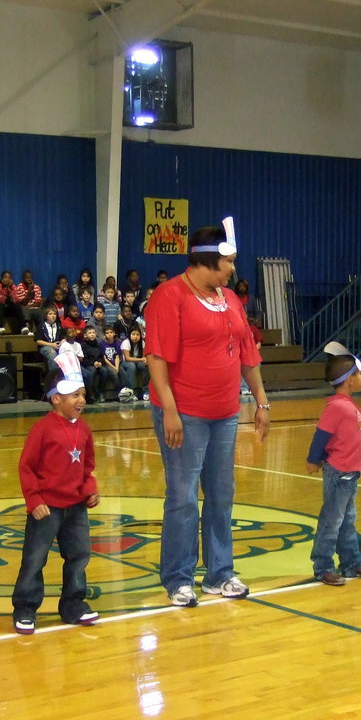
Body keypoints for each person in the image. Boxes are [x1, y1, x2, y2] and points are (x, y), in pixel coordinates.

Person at [145, 217, 269, 607]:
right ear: (207, 260)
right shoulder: (169, 296)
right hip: (186, 413)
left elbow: (248, 353)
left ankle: (220, 573)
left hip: (225, 412)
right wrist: (169, 409)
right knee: (182, 496)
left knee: (221, 493)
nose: (234, 269)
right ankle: (179, 578)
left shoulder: (229, 299)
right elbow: (157, 356)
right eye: (229, 262)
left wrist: (261, 401)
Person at [11, 351, 100, 635]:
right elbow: (26, 468)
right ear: (56, 398)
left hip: (76, 507)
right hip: (47, 507)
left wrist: (90, 490)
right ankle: (25, 607)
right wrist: (34, 500)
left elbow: (87, 467)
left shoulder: (84, 430)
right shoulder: (42, 430)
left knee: (79, 556)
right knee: (35, 558)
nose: (81, 401)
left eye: (83, 394)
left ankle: (73, 604)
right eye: (74, 395)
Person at [304, 344, 361, 585]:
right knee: (332, 520)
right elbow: (321, 435)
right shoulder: (336, 407)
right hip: (339, 474)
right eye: (359, 374)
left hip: (350, 473)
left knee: (347, 520)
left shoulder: (346, 405)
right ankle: (323, 566)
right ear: (349, 379)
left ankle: (351, 563)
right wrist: (313, 459)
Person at [120, 325, 149, 400]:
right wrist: (141, 359)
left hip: (138, 361)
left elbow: (143, 356)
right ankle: (131, 391)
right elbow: (127, 358)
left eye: (137, 335)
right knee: (131, 366)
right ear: (129, 335)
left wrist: (145, 360)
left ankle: (145, 391)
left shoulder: (142, 342)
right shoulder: (126, 342)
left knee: (145, 365)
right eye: (133, 334)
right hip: (125, 363)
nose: (135, 337)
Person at [0, 270, 21, 335]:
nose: (7, 279)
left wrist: (10, 288)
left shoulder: (13, 286)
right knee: (1, 304)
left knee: (17, 305)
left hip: (7, 309)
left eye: (9, 278)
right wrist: (6, 288)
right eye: (5, 277)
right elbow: (0, 300)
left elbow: (16, 299)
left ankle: (22, 327)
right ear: (1, 279)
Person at [97, 325, 124, 402]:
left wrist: (117, 367)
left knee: (123, 373)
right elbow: (105, 358)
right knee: (114, 374)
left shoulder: (117, 343)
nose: (109, 334)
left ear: (114, 333)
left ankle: (126, 391)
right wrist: (113, 367)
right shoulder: (101, 344)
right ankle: (119, 393)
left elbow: (117, 356)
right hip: (107, 364)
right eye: (107, 333)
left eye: (111, 332)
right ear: (104, 335)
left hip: (116, 363)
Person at [13, 270, 44, 335]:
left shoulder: (37, 287)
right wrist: (29, 292)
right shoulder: (19, 287)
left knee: (39, 311)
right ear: (23, 278)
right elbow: (22, 303)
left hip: (34, 308)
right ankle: (27, 330)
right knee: (24, 310)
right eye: (27, 277)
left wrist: (28, 306)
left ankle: (41, 332)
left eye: (30, 277)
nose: (29, 279)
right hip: (24, 309)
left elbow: (38, 302)